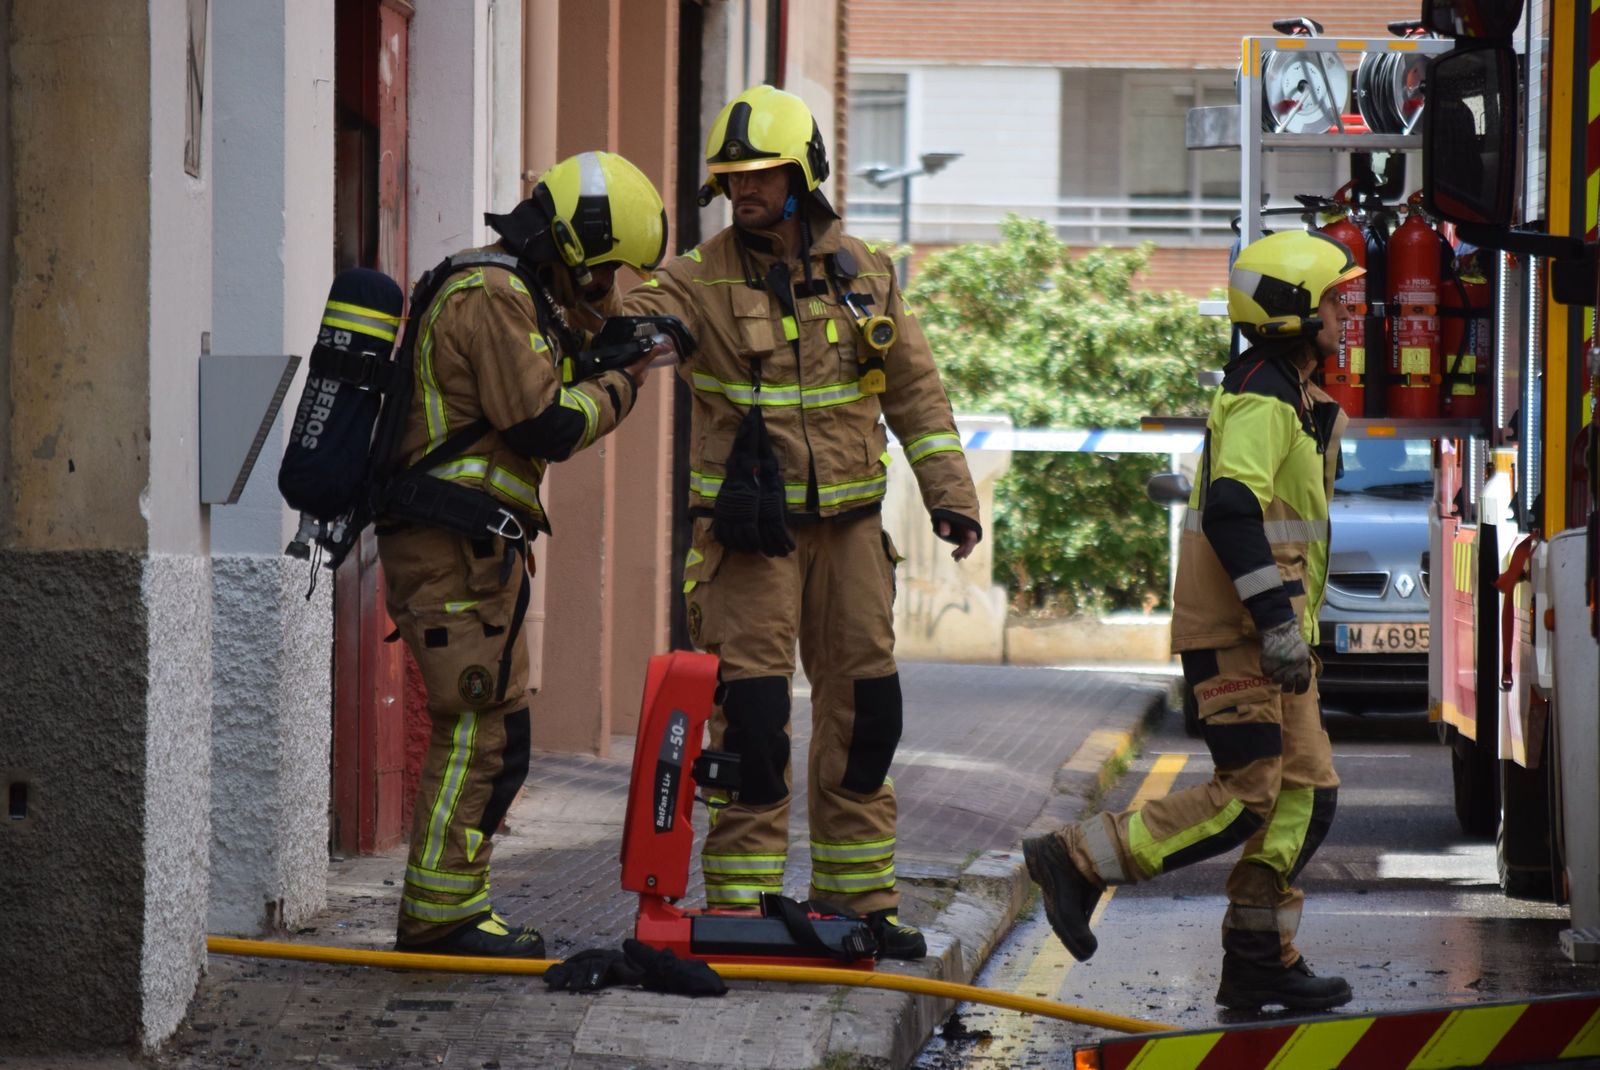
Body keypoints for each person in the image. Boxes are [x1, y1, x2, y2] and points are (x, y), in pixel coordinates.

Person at [623, 85, 982, 960]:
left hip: (852, 533)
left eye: (761, 174)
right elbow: (633, 318)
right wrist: (605, 322)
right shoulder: (696, 279)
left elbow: (917, 393)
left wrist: (951, 495)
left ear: (802, 176)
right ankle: (743, 906)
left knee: (867, 714)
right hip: (748, 541)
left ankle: (858, 901)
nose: (742, 190)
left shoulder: (866, 273)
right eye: (732, 177)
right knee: (750, 723)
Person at [1022, 229, 1359, 1011]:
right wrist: (1275, 623)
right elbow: (1234, 509)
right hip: (1241, 635)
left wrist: (1289, 629)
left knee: (1306, 796)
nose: (1348, 316)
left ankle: (1258, 959)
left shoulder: (1294, 394)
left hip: (1274, 638)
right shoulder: (1262, 397)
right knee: (1247, 796)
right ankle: (1077, 860)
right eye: (1336, 302)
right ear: (1294, 310)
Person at [380, 150, 668, 958]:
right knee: (477, 731)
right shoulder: (493, 294)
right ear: (574, 245)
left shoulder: (515, 296)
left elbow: (545, 374)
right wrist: (628, 383)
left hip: (471, 548)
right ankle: (441, 920)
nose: (606, 287)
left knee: (496, 734)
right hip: (453, 548)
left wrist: (610, 343)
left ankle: (453, 909)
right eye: (604, 269)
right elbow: (547, 423)